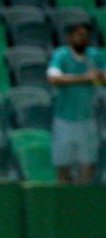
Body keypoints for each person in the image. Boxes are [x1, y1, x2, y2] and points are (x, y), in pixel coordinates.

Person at [47, 22, 105, 184]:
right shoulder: (61, 55)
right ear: (70, 37)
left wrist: (99, 76)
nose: (83, 39)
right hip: (64, 119)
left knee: (88, 163)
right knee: (62, 164)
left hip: (87, 119)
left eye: (86, 36)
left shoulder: (94, 56)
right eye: (79, 35)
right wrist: (83, 78)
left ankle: (81, 199)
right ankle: (63, 199)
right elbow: (53, 78)